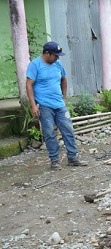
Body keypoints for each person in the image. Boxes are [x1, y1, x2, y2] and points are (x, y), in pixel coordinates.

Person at [26, 41, 87, 170]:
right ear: (47, 53)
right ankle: (54, 161)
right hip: (44, 106)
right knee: (49, 133)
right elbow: (29, 85)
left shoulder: (57, 64)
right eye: (55, 55)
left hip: (59, 104)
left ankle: (72, 158)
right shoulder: (35, 65)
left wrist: (64, 98)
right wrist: (33, 106)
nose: (58, 57)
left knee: (68, 130)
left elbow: (63, 79)